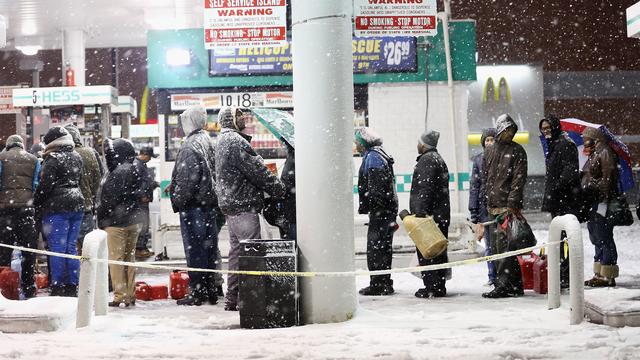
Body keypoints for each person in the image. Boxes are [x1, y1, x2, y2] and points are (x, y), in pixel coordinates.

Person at [215, 106, 286, 311]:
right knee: (251, 256)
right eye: (239, 117)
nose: (244, 120)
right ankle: (251, 301)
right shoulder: (235, 142)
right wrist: (278, 188)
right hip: (244, 206)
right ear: (231, 121)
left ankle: (233, 298)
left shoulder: (222, 140)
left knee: (237, 254)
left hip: (231, 206)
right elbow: (257, 171)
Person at [169, 105, 220, 306]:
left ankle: (197, 291)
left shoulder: (190, 145)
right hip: (208, 205)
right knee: (209, 249)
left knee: (195, 250)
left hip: (194, 207)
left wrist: (178, 199)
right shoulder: (207, 140)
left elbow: (188, 181)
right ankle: (210, 289)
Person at [34, 126, 84, 297]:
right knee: (71, 247)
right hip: (77, 204)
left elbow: (45, 186)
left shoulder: (53, 159)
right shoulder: (76, 156)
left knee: (57, 248)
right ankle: (72, 284)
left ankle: (57, 285)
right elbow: (80, 180)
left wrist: (36, 201)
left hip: (57, 207)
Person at [481, 114, 528, 299]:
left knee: (505, 248)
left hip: (507, 208)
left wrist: (512, 204)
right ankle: (513, 285)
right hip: (493, 207)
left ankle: (504, 285)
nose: (509, 134)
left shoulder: (518, 151)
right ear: (500, 130)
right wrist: (487, 200)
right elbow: (486, 178)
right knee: (500, 248)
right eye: (506, 130)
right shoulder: (490, 151)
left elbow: (519, 179)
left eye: (511, 130)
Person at [97, 138, 144, 307]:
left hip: (116, 223)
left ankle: (119, 295)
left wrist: (101, 220)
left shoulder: (117, 173)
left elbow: (108, 201)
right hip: (134, 220)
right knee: (129, 258)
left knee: (116, 259)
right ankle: (130, 294)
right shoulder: (135, 168)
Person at [355, 127, 398, 296]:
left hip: (381, 213)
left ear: (363, 143)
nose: (355, 145)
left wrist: (375, 210)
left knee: (376, 250)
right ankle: (384, 282)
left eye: (357, 142)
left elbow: (376, 190)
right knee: (383, 249)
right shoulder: (379, 154)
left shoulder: (373, 157)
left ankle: (379, 285)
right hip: (386, 212)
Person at [539, 115, 580, 288]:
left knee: (566, 238)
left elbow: (569, 172)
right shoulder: (554, 145)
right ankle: (564, 272)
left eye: (548, 127)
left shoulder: (565, 144)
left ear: (555, 127)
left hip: (565, 200)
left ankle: (567, 274)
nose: (546, 131)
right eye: (543, 129)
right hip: (558, 200)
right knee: (560, 238)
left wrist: (557, 187)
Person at [410, 130, 450, 298]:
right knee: (438, 252)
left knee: (428, 252)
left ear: (424, 144)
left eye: (419, 142)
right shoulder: (437, 159)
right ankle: (438, 285)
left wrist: (420, 213)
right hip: (440, 214)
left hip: (430, 217)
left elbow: (425, 190)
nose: (417, 145)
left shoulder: (427, 160)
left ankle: (432, 287)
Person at [0, 135, 41, 299]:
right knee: (28, 251)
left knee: (3, 251)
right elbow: (35, 185)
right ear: (22, 146)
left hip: (4, 211)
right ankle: (28, 288)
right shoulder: (33, 160)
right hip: (26, 210)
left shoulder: (1, 158)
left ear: (8, 146)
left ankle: (5, 289)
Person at [581, 127, 619, 287]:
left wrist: (602, 197)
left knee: (603, 236)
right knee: (595, 235)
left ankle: (607, 273)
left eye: (586, 138)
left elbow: (608, 177)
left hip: (601, 202)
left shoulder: (605, 152)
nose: (584, 141)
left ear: (594, 138)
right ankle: (599, 271)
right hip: (594, 201)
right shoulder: (595, 152)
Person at [64, 125, 102, 255]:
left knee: (68, 247)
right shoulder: (89, 153)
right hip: (86, 207)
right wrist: (91, 195)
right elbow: (98, 178)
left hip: (65, 209)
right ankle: (87, 273)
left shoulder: (61, 155)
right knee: (88, 247)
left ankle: (73, 273)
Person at [469, 128, 496, 286]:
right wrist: (474, 211)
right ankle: (492, 275)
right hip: (484, 209)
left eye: (492, 139)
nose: (490, 142)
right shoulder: (478, 160)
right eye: (487, 140)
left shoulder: (500, 158)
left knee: (500, 243)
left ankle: (500, 275)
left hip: (498, 208)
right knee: (489, 245)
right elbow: (474, 186)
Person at [134, 146, 160, 259]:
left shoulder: (141, 165)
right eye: (149, 157)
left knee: (144, 225)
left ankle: (142, 247)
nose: (150, 159)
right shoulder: (137, 166)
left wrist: (154, 184)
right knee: (142, 225)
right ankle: (139, 248)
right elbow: (136, 184)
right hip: (141, 202)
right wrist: (141, 196)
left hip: (144, 201)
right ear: (144, 155)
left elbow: (146, 182)